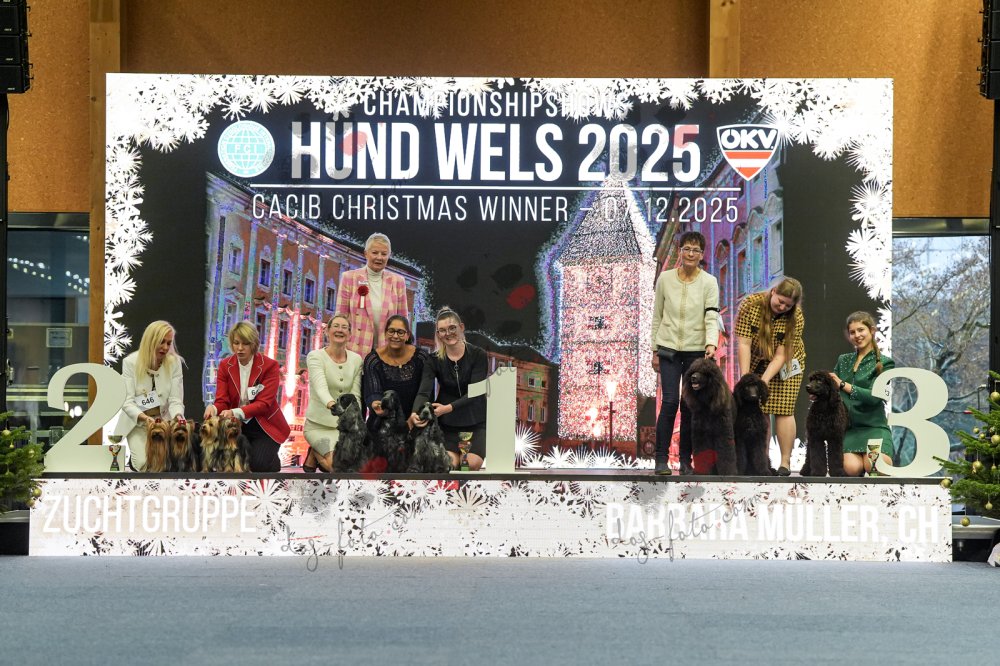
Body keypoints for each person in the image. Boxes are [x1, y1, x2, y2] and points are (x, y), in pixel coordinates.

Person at [650, 231, 720, 475]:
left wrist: (711, 343)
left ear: (701, 255)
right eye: (686, 249)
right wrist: (654, 349)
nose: (691, 254)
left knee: (689, 406)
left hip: (695, 350)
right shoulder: (665, 279)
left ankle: (685, 461)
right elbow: (657, 315)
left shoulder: (709, 282)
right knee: (669, 402)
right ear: (680, 252)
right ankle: (660, 460)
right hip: (668, 348)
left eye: (696, 250)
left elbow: (711, 315)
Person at [735, 277, 805, 476]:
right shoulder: (750, 305)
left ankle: (785, 463)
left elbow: (781, 355)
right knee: (761, 409)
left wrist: (763, 382)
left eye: (787, 305)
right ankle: (762, 463)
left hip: (787, 364)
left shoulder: (796, 317)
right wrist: (747, 378)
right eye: (780, 301)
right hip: (756, 360)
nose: (782, 307)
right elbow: (744, 344)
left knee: (784, 409)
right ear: (773, 291)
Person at [204, 321, 290, 473]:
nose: (240, 348)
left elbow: (264, 404)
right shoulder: (225, 365)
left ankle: (271, 459)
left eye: (245, 343)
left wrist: (234, 412)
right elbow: (222, 400)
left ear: (254, 344)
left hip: (264, 426)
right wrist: (214, 408)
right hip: (236, 426)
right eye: (236, 343)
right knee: (225, 461)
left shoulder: (269, 366)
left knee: (257, 465)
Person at [412, 308, 488, 471]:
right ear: (438, 334)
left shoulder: (478, 355)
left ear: (461, 327)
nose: (448, 333)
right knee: (449, 465)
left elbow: (475, 393)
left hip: (475, 423)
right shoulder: (432, 360)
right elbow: (424, 392)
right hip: (448, 426)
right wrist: (414, 413)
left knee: (468, 464)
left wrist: (447, 408)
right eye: (443, 330)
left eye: (452, 328)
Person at [829, 311, 896, 476]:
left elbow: (874, 397)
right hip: (849, 431)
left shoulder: (886, 363)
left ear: (872, 330)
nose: (857, 335)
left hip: (874, 430)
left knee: (875, 467)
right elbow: (832, 392)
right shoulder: (843, 360)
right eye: (852, 332)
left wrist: (843, 385)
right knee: (849, 469)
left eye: (861, 330)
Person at [301, 314, 363, 473]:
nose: (340, 330)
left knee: (357, 469)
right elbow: (320, 388)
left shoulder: (356, 360)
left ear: (350, 334)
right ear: (327, 331)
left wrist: (357, 419)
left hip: (343, 429)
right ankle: (317, 450)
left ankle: (315, 453)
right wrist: (333, 405)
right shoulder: (315, 356)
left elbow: (355, 395)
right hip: (318, 427)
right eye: (335, 326)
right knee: (337, 468)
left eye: (344, 327)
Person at [120, 321, 185, 471]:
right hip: (138, 423)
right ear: (150, 340)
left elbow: (175, 399)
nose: (165, 347)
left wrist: (178, 416)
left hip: (164, 423)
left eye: (169, 343)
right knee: (144, 464)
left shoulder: (175, 363)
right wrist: (145, 418)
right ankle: (134, 459)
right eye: (161, 342)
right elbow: (127, 402)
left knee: (168, 465)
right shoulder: (130, 363)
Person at [335, 232, 410, 357]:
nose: (379, 257)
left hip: (387, 353)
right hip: (354, 352)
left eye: (384, 254)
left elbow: (403, 323)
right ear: (366, 254)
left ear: (389, 256)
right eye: (375, 253)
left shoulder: (398, 282)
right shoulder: (349, 278)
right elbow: (340, 318)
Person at [363, 315, 430, 430]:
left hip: (415, 421)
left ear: (407, 335)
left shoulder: (421, 358)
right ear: (385, 333)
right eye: (391, 331)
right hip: (382, 425)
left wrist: (414, 417)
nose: (395, 336)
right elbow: (372, 390)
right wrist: (376, 403)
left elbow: (425, 392)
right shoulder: (372, 360)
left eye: (400, 332)